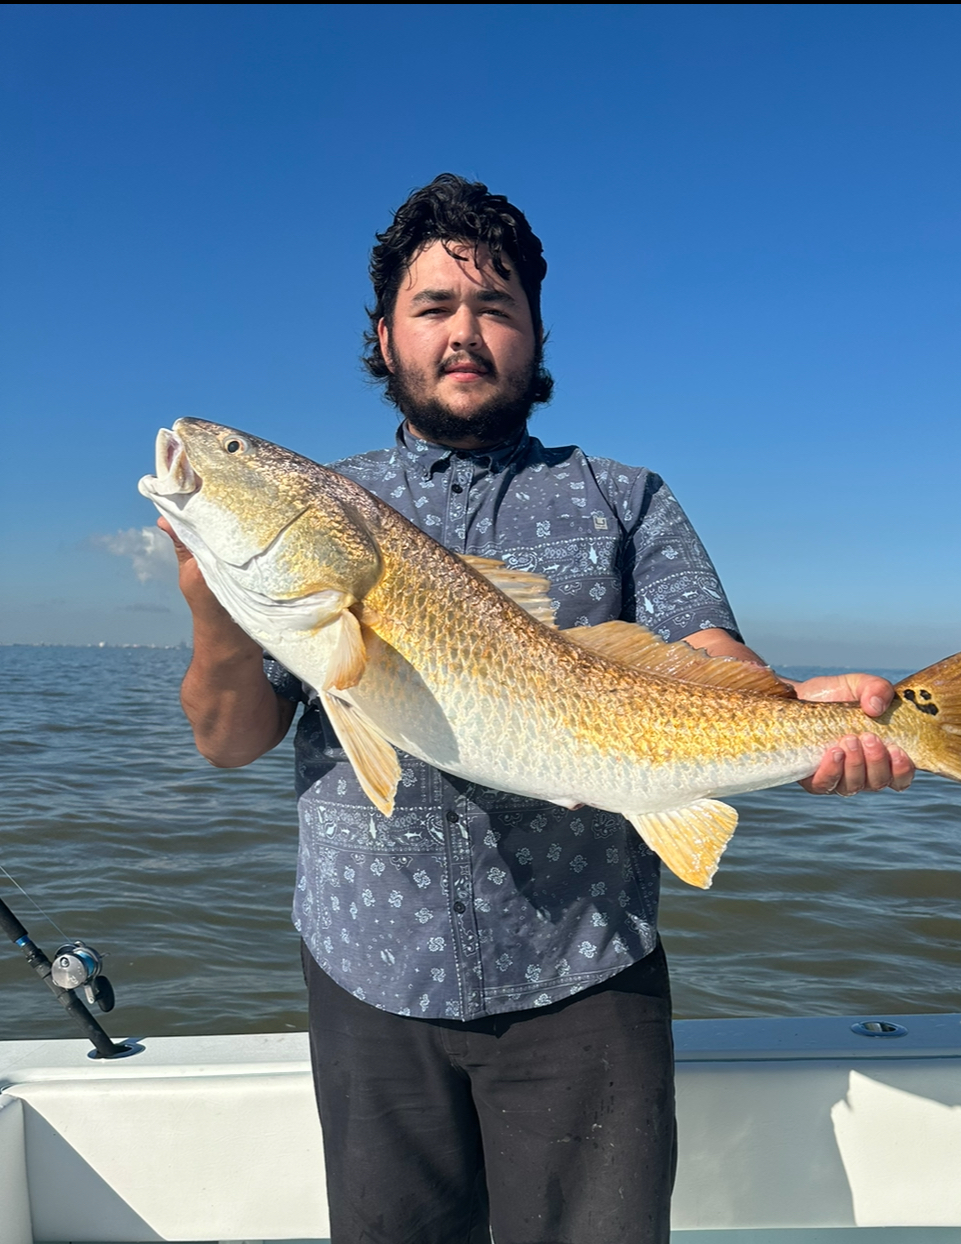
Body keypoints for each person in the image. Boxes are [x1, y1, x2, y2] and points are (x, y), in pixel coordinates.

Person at [163, 174, 913, 1244]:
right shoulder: (335, 510)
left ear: (536, 333)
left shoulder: (625, 497)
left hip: (587, 970)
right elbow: (229, 740)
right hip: (368, 973)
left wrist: (797, 713)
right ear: (384, 336)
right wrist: (212, 603)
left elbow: (707, 653)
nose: (463, 332)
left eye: (495, 306)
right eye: (433, 307)